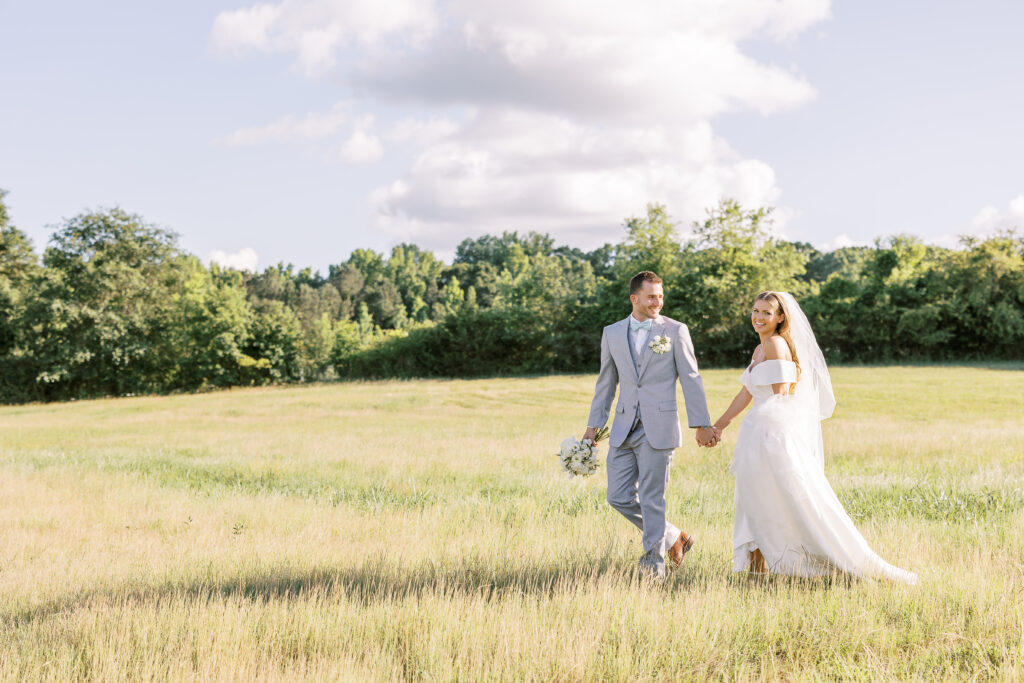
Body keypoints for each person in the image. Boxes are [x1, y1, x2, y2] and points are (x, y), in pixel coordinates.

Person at [713, 291, 917, 584]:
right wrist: (719, 426)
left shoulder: (774, 344)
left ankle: (817, 560)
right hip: (756, 432)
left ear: (781, 317)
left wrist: (762, 435)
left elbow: (780, 394)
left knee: (780, 499)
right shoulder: (760, 349)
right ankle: (757, 572)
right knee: (756, 499)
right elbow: (746, 393)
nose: (758, 317)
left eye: (766, 313)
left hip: (769, 435)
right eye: (755, 311)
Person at [584, 271, 720, 579]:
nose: (657, 301)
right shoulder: (612, 333)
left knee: (652, 498)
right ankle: (675, 537)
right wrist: (594, 425)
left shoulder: (675, 330)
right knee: (616, 496)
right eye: (651, 296)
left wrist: (701, 423)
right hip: (623, 426)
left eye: (660, 296)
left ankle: (653, 570)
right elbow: (606, 382)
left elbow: (691, 378)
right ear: (634, 299)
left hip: (659, 426)